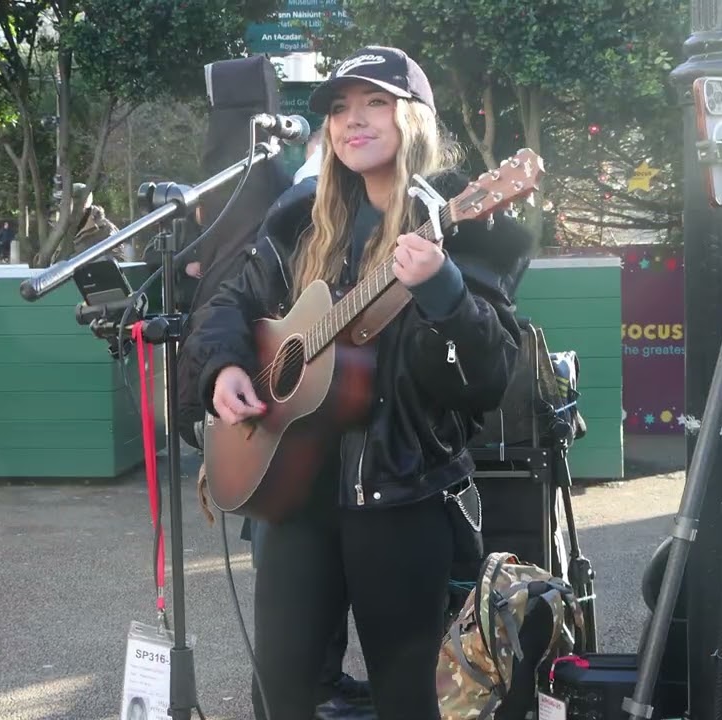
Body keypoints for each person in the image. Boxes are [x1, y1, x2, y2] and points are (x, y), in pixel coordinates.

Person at [184, 46, 534, 720]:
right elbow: (228, 302)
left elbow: (486, 378)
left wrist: (444, 290)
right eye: (341, 108)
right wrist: (223, 366)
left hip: (401, 492)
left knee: (408, 698)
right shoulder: (298, 217)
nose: (355, 119)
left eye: (376, 102)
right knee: (280, 691)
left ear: (415, 118)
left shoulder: (466, 222)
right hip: (292, 489)